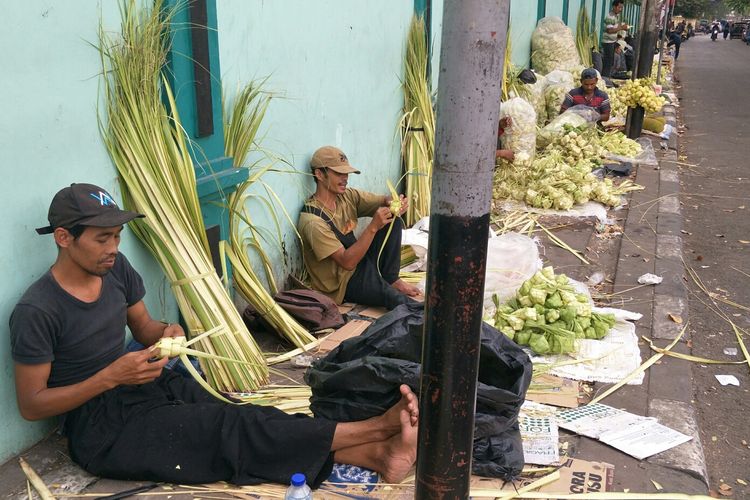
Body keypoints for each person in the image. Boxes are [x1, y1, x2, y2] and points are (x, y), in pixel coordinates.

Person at [10, 183, 420, 488]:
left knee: (243, 415)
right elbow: (33, 405)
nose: (114, 247)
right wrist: (111, 376)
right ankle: (373, 430)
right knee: (224, 428)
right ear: (64, 238)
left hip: (144, 385)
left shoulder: (115, 271)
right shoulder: (38, 310)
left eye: (116, 236)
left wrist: (168, 334)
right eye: (103, 238)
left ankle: (378, 456)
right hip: (100, 428)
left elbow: (144, 328)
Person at [298, 147, 421, 310]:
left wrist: (393, 202)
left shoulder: (346, 197)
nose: (345, 179)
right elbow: (347, 262)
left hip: (359, 261)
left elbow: (383, 201)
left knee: (393, 221)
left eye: (346, 174)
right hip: (343, 282)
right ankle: (424, 314)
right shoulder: (312, 222)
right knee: (394, 299)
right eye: (338, 174)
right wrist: (372, 227)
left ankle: (391, 279)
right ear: (319, 174)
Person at [602, 0, 628, 77]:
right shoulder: (610, 17)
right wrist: (621, 27)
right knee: (608, 62)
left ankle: (607, 78)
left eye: (621, 7)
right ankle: (605, 78)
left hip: (612, 41)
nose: (620, 9)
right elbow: (609, 30)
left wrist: (622, 28)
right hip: (607, 42)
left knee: (611, 61)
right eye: (619, 7)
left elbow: (615, 28)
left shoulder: (615, 16)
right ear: (614, 6)